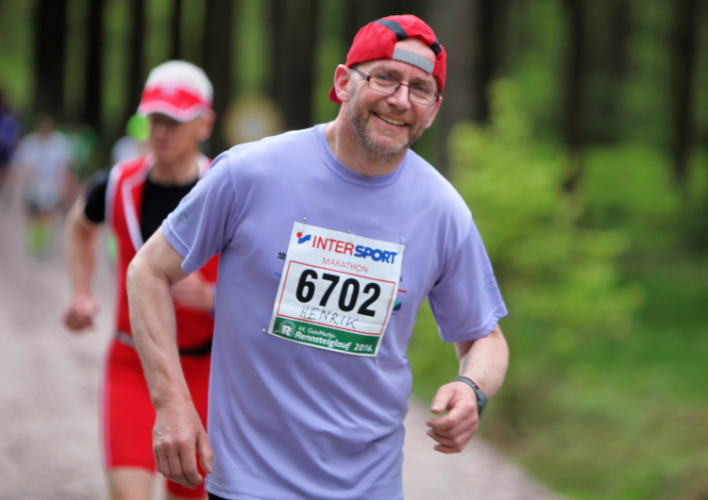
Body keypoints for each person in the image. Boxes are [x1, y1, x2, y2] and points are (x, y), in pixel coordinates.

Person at [128, 15, 509, 500]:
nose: (400, 99)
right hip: (249, 482)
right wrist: (172, 403)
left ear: (433, 111)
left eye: (420, 89)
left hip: (371, 487)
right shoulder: (250, 173)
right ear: (343, 82)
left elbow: (485, 337)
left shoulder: (442, 211)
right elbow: (148, 270)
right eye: (385, 77)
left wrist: (472, 389)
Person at [62, 60, 218, 500]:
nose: (161, 131)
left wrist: (214, 296)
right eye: (155, 119)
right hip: (132, 364)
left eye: (175, 121)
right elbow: (79, 227)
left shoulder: (225, 188)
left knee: (188, 493)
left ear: (204, 123)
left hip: (205, 371)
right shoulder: (116, 183)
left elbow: (264, 272)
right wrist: (81, 293)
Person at [10, 115, 73, 257]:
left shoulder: (60, 144)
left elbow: (65, 167)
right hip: (34, 186)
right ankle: (35, 241)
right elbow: (20, 165)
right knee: (33, 216)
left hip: (51, 186)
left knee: (47, 215)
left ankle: (44, 242)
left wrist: (66, 185)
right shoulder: (29, 144)